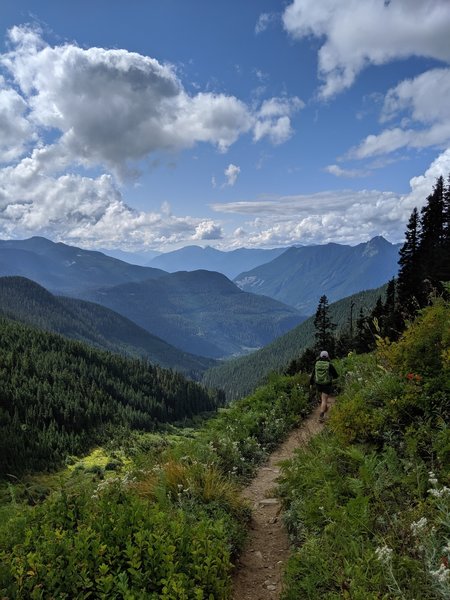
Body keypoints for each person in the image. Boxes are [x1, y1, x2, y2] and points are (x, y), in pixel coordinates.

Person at [310, 350, 338, 423]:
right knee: (324, 400)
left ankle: (324, 408)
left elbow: (313, 374)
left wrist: (311, 383)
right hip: (326, 384)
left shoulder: (316, 364)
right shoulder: (329, 364)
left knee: (322, 399)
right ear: (327, 356)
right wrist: (333, 377)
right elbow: (336, 375)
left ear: (320, 356)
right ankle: (321, 416)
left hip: (318, 384)